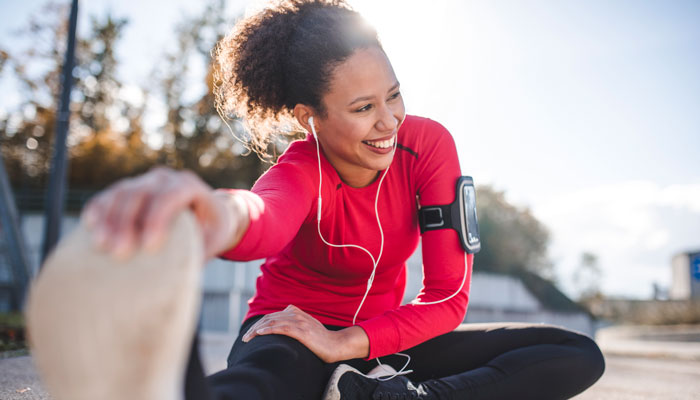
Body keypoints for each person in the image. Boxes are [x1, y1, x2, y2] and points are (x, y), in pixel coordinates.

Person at [39, 1, 605, 399]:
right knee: (257, 388)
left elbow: (448, 298)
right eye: (363, 109)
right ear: (309, 118)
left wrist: (348, 343)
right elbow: (261, 216)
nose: (388, 122)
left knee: (573, 354)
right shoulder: (302, 168)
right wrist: (209, 212)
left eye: (394, 95)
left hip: (379, 348)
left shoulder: (428, 146)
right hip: (291, 333)